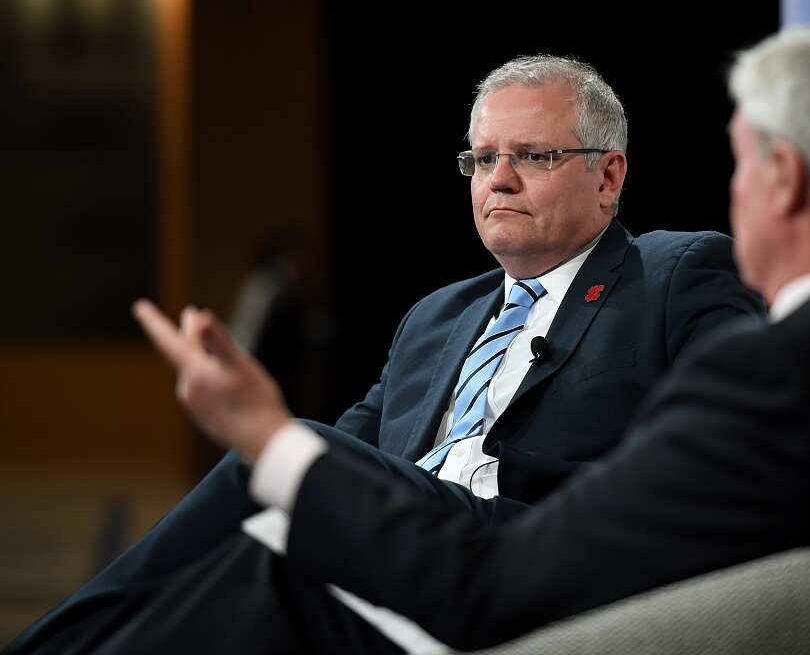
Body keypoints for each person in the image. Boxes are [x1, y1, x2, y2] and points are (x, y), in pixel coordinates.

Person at [7, 56, 761, 654]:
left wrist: (268, 437)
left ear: (608, 175)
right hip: (406, 542)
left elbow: (728, 443)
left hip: (527, 545)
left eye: (532, 155)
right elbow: (352, 447)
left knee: (272, 465)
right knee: (250, 553)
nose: (497, 179)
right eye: (482, 158)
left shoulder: (675, 273)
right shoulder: (435, 317)